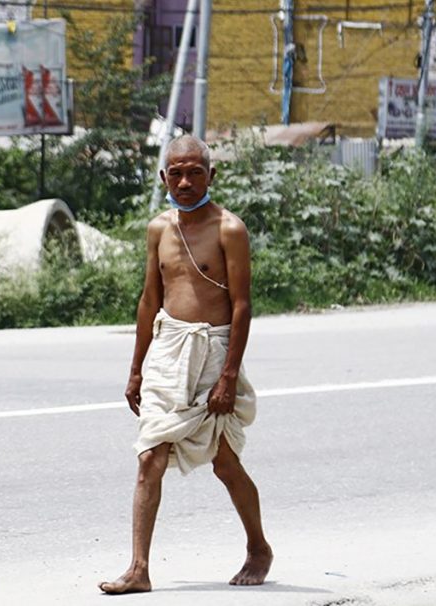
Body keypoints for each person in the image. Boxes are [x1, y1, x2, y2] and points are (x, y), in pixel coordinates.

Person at [99, 135, 273, 594]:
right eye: (176, 172)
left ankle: (259, 547)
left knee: (225, 463)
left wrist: (228, 377)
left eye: (195, 171)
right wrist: (136, 368)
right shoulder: (159, 228)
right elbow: (149, 299)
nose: (185, 181)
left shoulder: (229, 229)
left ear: (211, 176)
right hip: (168, 351)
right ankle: (138, 569)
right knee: (150, 456)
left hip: (213, 355)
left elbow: (241, 307)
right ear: (164, 177)